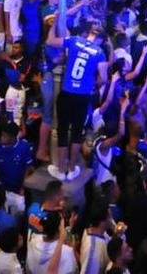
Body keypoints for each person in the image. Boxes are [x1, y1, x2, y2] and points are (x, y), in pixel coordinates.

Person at [46, 13, 107, 181]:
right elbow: (103, 78)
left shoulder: (74, 41)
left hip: (67, 92)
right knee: (77, 132)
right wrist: (93, 84)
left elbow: (50, 41)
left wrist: (54, 23)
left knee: (62, 129)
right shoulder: (100, 53)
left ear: (89, 34)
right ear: (101, 40)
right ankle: (72, 169)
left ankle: (61, 169)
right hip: (83, 96)